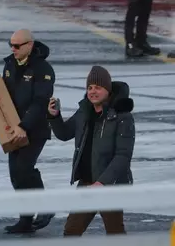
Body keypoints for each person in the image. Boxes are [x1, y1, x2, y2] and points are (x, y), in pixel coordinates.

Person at [0, 29, 55, 233]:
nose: (12, 49)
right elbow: (4, 97)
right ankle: (25, 219)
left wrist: (24, 125)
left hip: (35, 129)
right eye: (10, 45)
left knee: (24, 168)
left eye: (17, 45)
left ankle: (46, 207)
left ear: (30, 45)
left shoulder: (43, 69)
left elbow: (41, 102)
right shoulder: (9, 65)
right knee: (16, 174)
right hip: (13, 129)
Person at [48, 66, 135, 236]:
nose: (93, 92)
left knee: (115, 232)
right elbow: (64, 134)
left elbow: (123, 156)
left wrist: (102, 183)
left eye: (98, 87)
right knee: (71, 231)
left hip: (110, 186)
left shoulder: (122, 117)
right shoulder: (84, 112)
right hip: (87, 183)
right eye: (90, 87)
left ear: (108, 91)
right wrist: (54, 116)